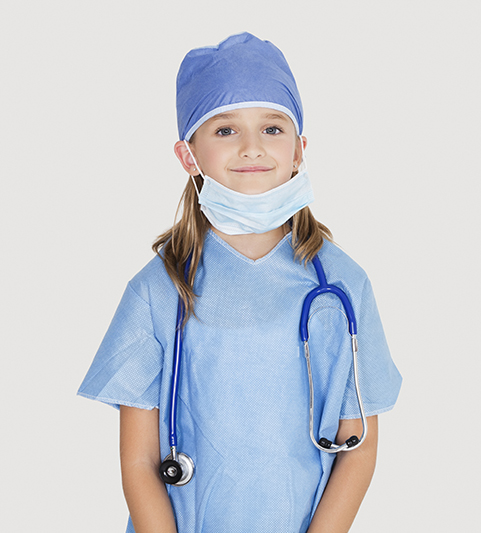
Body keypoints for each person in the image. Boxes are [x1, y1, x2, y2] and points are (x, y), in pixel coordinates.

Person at [78, 32, 402, 533]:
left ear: (300, 150)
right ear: (189, 157)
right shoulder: (157, 291)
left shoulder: (342, 287)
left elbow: (357, 449)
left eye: (273, 128)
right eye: (225, 130)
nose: (252, 148)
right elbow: (139, 463)